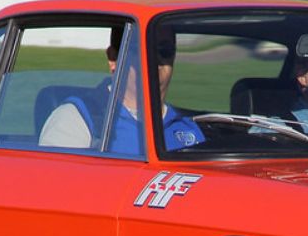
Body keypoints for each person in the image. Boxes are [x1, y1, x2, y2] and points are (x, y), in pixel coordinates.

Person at [39, 27, 201, 154]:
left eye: (164, 52)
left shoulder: (187, 127)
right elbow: (56, 182)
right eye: (141, 51)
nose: (154, 61)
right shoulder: (77, 120)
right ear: (113, 59)